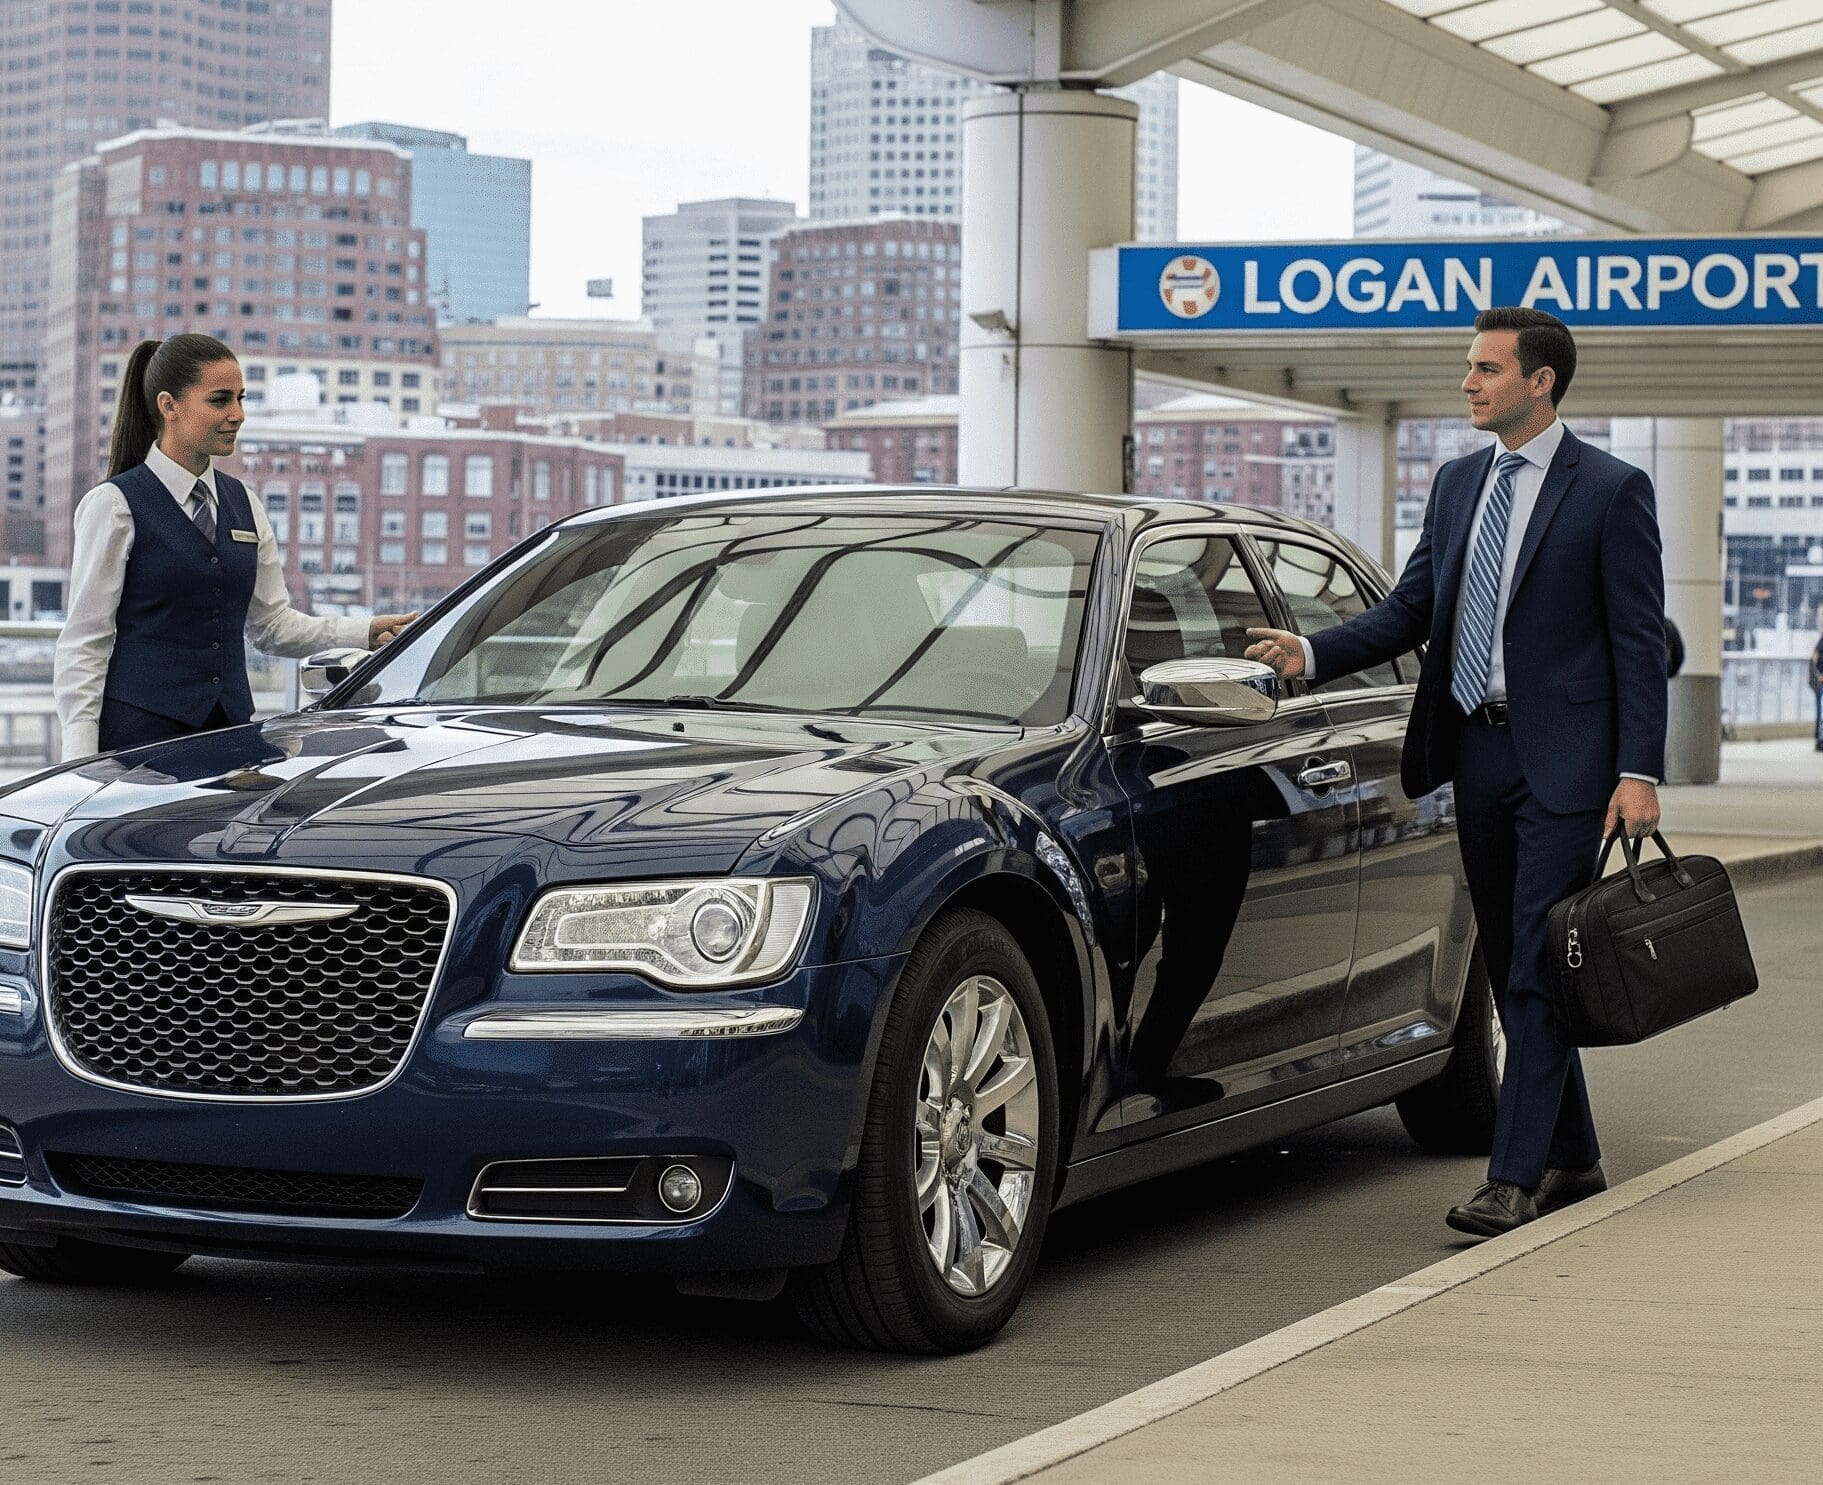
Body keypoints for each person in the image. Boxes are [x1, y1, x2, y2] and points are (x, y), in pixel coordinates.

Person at [1244, 306, 1667, 1239]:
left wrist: (1637, 770)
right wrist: (1308, 656)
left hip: (1568, 765)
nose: (1467, 383)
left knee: (1525, 958)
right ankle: (1576, 1154)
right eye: (1467, 368)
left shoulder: (1610, 490)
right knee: (1528, 958)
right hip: (1475, 751)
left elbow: (1638, 641)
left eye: (1484, 368)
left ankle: (1512, 1178)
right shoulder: (1455, 483)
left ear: (1539, 381)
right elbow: (1410, 610)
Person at [54, 335, 416, 758]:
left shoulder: (245, 503)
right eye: (220, 400)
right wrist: (80, 762)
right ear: (169, 406)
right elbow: (85, 641)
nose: (237, 415)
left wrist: (364, 630)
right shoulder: (114, 505)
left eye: (241, 398)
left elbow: (271, 626)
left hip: (230, 737)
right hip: (138, 743)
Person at [1810, 624, 1822, 752]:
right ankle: (1819, 740)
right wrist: (1818, 674)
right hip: (1821, 684)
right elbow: (1814, 659)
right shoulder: (1821, 642)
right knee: (1821, 713)